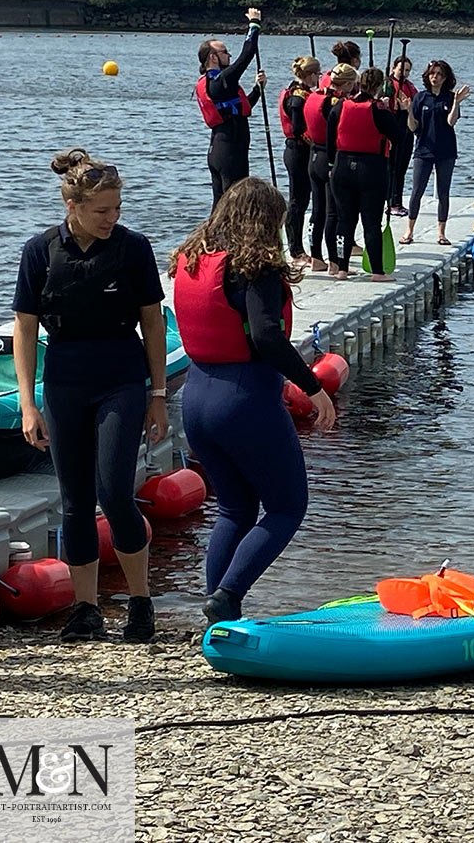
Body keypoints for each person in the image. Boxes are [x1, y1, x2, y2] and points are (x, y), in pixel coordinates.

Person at [12, 149, 168, 643]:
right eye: (103, 210)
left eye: (117, 208)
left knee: (114, 493)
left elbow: (152, 321)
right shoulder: (40, 252)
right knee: (74, 502)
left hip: (120, 379)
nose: (112, 218)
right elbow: (24, 327)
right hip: (64, 382)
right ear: (73, 206)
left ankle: (140, 602)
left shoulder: (132, 248)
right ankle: (85, 609)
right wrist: (27, 402)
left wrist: (158, 394)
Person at [170, 178, 336, 623]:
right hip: (244, 399)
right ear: (265, 223)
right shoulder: (255, 268)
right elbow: (266, 337)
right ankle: (227, 594)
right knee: (286, 506)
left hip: (197, 396)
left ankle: (218, 617)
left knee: (234, 507)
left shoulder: (191, 259)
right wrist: (314, 387)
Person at [326, 68, 402, 281]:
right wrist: (392, 111)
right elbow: (399, 136)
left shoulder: (340, 106)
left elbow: (330, 137)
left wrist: (331, 165)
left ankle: (342, 269)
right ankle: (377, 272)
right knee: (371, 221)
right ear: (379, 87)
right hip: (372, 169)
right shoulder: (379, 109)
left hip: (341, 167)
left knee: (344, 220)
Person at [195, 8, 268, 208]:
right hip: (229, 152)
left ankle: (211, 239)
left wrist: (257, 89)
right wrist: (254, 24)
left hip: (222, 148)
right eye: (224, 52)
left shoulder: (223, 84)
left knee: (220, 206)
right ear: (212, 57)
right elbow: (247, 55)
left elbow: (242, 109)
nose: (229, 55)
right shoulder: (221, 81)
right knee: (233, 206)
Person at [400, 60, 469, 246]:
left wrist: (456, 103)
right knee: (417, 191)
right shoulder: (421, 98)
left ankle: (441, 233)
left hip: (446, 151)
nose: (435, 77)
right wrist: (408, 111)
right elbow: (413, 127)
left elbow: (451, 122)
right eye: (432, 73)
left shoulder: (449, 97)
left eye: (439, 74)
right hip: (423, 150)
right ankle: (409, 230)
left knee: (443, 192)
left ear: (445, 77)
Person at [306, 63, 357, 273]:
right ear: (346, 84)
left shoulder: (313, 96)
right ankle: (334, 264)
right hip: (329, 158)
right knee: (333, 213)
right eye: (353, 84)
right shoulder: (336, 103)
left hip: (313, 156)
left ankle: (316, 258)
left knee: (317, 211)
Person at [279, 55, 320, 263]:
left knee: (303, 199)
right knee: (298, 201)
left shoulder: (301, 91)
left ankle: (298, 247)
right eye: (317, 74)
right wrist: (316, 144)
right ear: (310, 75)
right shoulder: (297, 97)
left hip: (300, 151)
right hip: (297, 151)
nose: (319, 78)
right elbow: (297, 129)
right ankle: (295, 250)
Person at [387, 56, 417, 217]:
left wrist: (410, 108)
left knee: (401, 167)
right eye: (401, 70)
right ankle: (390, 201)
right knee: (392, 167)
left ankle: (397, 201)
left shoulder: (409, 86)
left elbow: (416, 103)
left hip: (406, 127)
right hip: (393, 124)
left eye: (407, 71)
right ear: (393, 68)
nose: (404, 73)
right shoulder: (388, 84)